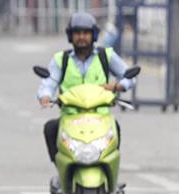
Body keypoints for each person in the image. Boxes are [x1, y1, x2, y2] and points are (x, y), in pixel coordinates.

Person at [37, 12, 136, 177]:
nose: (81, 37)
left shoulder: (106, 56)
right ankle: (62, 171)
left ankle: (111, 175)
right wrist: (45, 96)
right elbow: (49, 82)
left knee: (115, 128)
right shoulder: (61, 59)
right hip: (70, 118)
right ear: (70, 36)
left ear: (94, 35)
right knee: (51, 128)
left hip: (100, 118)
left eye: (86, 33)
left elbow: (128, 76)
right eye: (77, 33)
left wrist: (117, 86)